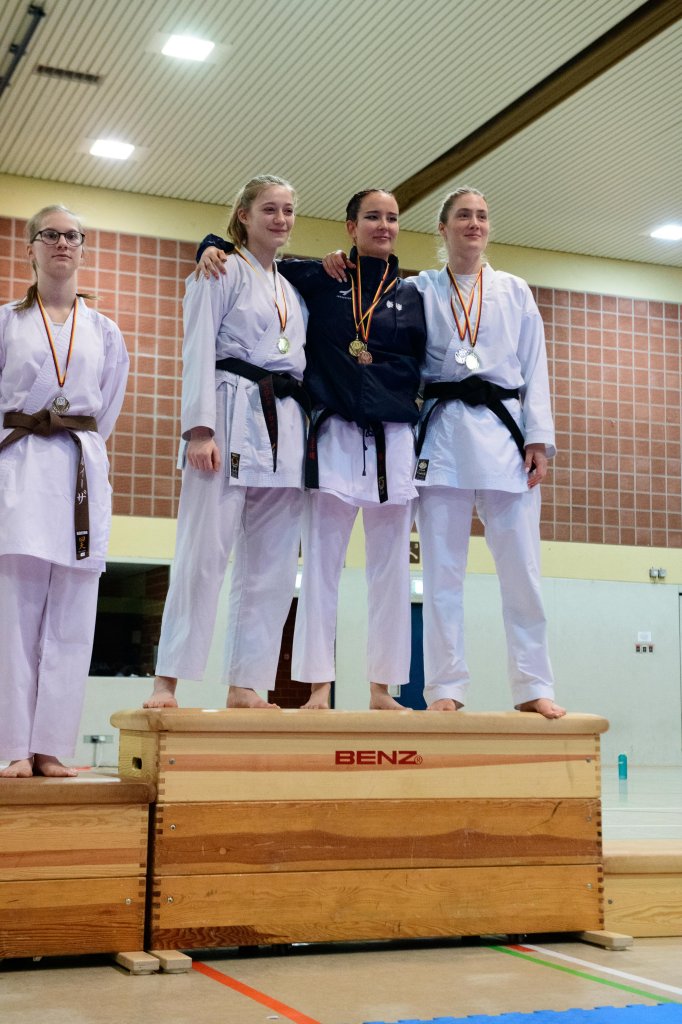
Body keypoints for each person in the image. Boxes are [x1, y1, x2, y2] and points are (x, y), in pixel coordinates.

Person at [197, 189, 426, 709]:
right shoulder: (322, 277)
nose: (383, 226)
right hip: (335, 433)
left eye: (392, 218)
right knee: (321, 566)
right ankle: (319, 686)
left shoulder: (415, 295)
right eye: (372, 217)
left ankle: (382, 688)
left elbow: (427, 365)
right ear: (350, 227)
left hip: (394, 437)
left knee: (392, 571)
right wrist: (210, 244)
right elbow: (258, 259)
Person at [144, 175, 309, 710]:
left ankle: (246, 684)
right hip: (227, 412)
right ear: (244, 214)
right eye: (270, 209)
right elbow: (196, 349)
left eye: (288, 210)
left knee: (273, 568)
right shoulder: (218, 269)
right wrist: (200, 429)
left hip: (284, 424)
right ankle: (167, 680)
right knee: (202, 555)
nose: (281, 219)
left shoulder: (291, 285)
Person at [411, 187, 565, 718]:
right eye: (463, 216)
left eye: (481, 216)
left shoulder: (514, 290)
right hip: (442, 436)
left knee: (522, 571)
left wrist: (538, 439)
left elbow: (535, 367)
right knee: (441, 576)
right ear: (443, 227)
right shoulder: (420, 288)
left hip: (505, 438)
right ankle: (445, 688)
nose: (474, 223)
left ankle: (533, 685)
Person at [0, 205, 129, 777]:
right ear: (29, 247)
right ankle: (13, 747)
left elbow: (107, 409)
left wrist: (77, 444)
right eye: (49, 234)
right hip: (19, 467)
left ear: (82, 248)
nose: (61, 243)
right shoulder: (6, 323)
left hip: (78, 468)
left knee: (73, 618)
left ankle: (52, 747)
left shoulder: (104, 331)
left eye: (72, 235)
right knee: (13, 616)